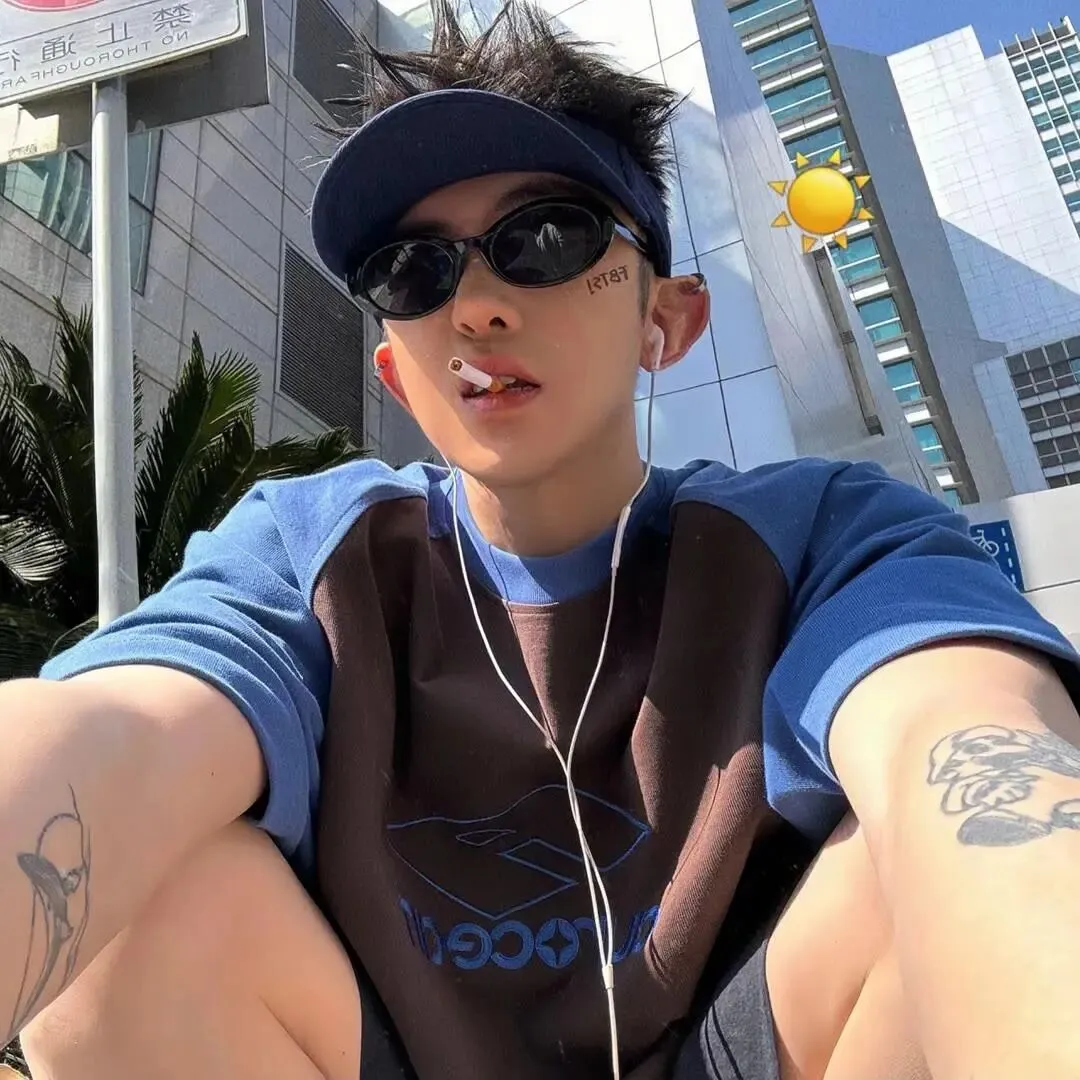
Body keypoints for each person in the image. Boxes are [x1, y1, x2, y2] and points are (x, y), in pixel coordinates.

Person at [4, 3, 1080, 1079]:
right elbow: (118, 733)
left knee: (923, 861)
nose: (475, 307)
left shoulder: (817, 537)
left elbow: (962, 738)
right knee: (112, 904)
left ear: (668, 319)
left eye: (547, 237)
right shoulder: (315, 554)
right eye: (412, 271)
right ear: (396, 373)